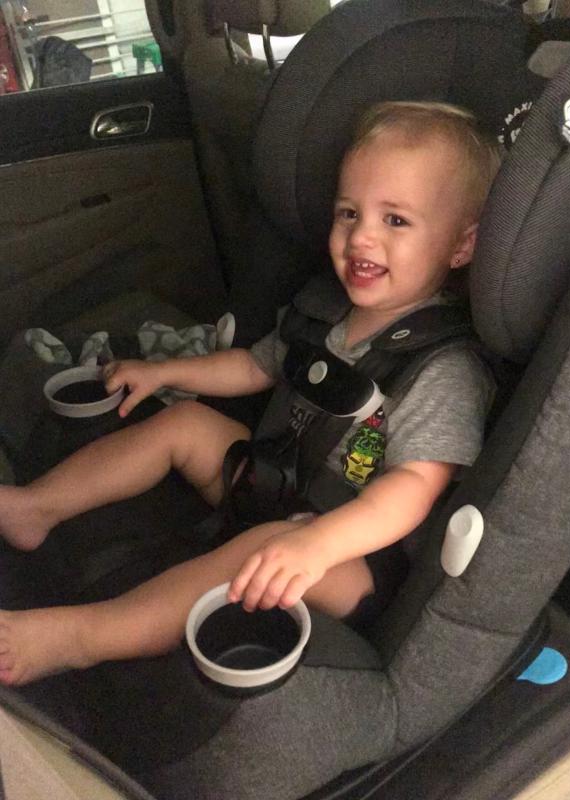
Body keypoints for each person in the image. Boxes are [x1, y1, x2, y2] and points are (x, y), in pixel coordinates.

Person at [0, 101, 500, 686]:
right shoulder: (326, 310)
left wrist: (315, 545)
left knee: (266, 543)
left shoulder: (442, 366)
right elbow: (254, 367)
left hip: (356, 561)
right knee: (185, 423)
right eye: (348, 213)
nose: (361, 235)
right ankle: (36, 508)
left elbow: (413, 489)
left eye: (396, 220)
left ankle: (81, 637)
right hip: (278, 481)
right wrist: (166, 375)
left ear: (460, 247)